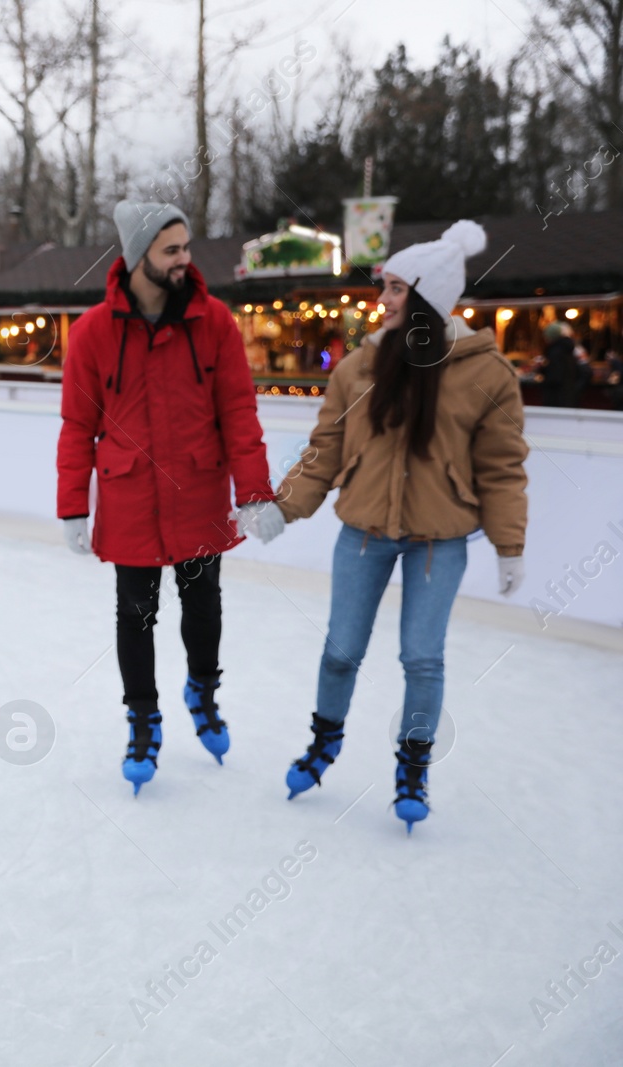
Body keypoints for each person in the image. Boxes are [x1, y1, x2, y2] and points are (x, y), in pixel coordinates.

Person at [269, 219, 529, 832]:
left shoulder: (485, 373)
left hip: (438, 541)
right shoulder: (359, 368)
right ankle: (324, 742)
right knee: (340, 652)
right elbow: (325, 450)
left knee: (421, 658)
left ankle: (413, 768)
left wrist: (509, 545)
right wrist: (283, 506)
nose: (380, 300)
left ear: (426, 296)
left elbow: (501, 467)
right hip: (362, 532)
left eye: (392, 288)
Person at [56, 200, 277, 795]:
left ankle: (202, 691)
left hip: (199, 490)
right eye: (171, 249)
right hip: (130, 497)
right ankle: (143, 719)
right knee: (137, 613)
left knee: (203, 606)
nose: (184, 260)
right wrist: (73, 505)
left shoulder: (215, 323)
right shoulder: (93, 334)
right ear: (138, 256)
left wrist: (254, 493)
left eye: (186, 248)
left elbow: (238, 411)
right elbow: (78, 426)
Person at [541, 321, 583, 408]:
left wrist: (543, 369)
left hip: (557, 398)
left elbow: (554, 376)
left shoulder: (555, 352)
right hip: (568, 395)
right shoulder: (567, 349)